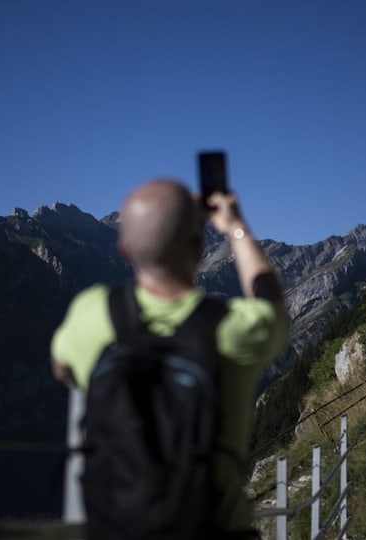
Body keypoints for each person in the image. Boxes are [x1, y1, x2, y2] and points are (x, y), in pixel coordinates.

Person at [50, 178, 289, 538]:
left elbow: (62, 368)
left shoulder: (91, 313)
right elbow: (272, 305)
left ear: (124, 248)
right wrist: (235, 228)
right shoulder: (232, 328)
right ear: (198, 248)